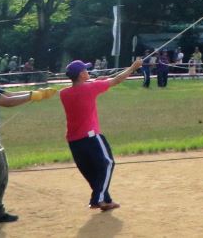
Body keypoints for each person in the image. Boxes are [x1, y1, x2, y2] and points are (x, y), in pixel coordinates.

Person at [60, 56, 144, 211]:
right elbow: (117, 80)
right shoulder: (90, 88)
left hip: (74, 141)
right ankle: (97, 200)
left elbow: (80, 88)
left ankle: (105, 200)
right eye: (85, 70)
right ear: (81, 75)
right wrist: (133, 67)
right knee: (107, 163)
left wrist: (96, 82)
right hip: (91, 137)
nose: (88, 71)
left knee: (93, 171)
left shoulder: (64, 94)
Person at [0, 74, 58, 224]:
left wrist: (38, 93)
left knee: (2, 172)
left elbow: (9, 94)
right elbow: (7, 102)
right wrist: (32, 95)